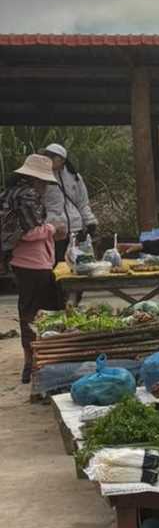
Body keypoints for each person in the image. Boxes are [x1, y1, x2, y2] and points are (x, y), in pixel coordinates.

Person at [1, 153, 64, 382]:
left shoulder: (9, 193)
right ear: (37, 179)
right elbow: (29, 232)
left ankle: (32, 361)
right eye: (45, 182)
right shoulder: (28, 195)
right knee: (40, 314)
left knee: (27, 310)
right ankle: (38, 363)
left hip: (19, 262)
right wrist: (52, 228)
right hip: (34, 263)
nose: (46, 187)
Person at [41, 143, 97, 255]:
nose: (48, 158)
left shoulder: (74, 177)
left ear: (62, 159)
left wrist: (90, 222)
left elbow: (82, 202)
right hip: (54, 229)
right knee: (55, 264)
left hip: (75, 228)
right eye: (47, 155)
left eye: (52, 156)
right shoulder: (41, 176)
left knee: (77, 262)